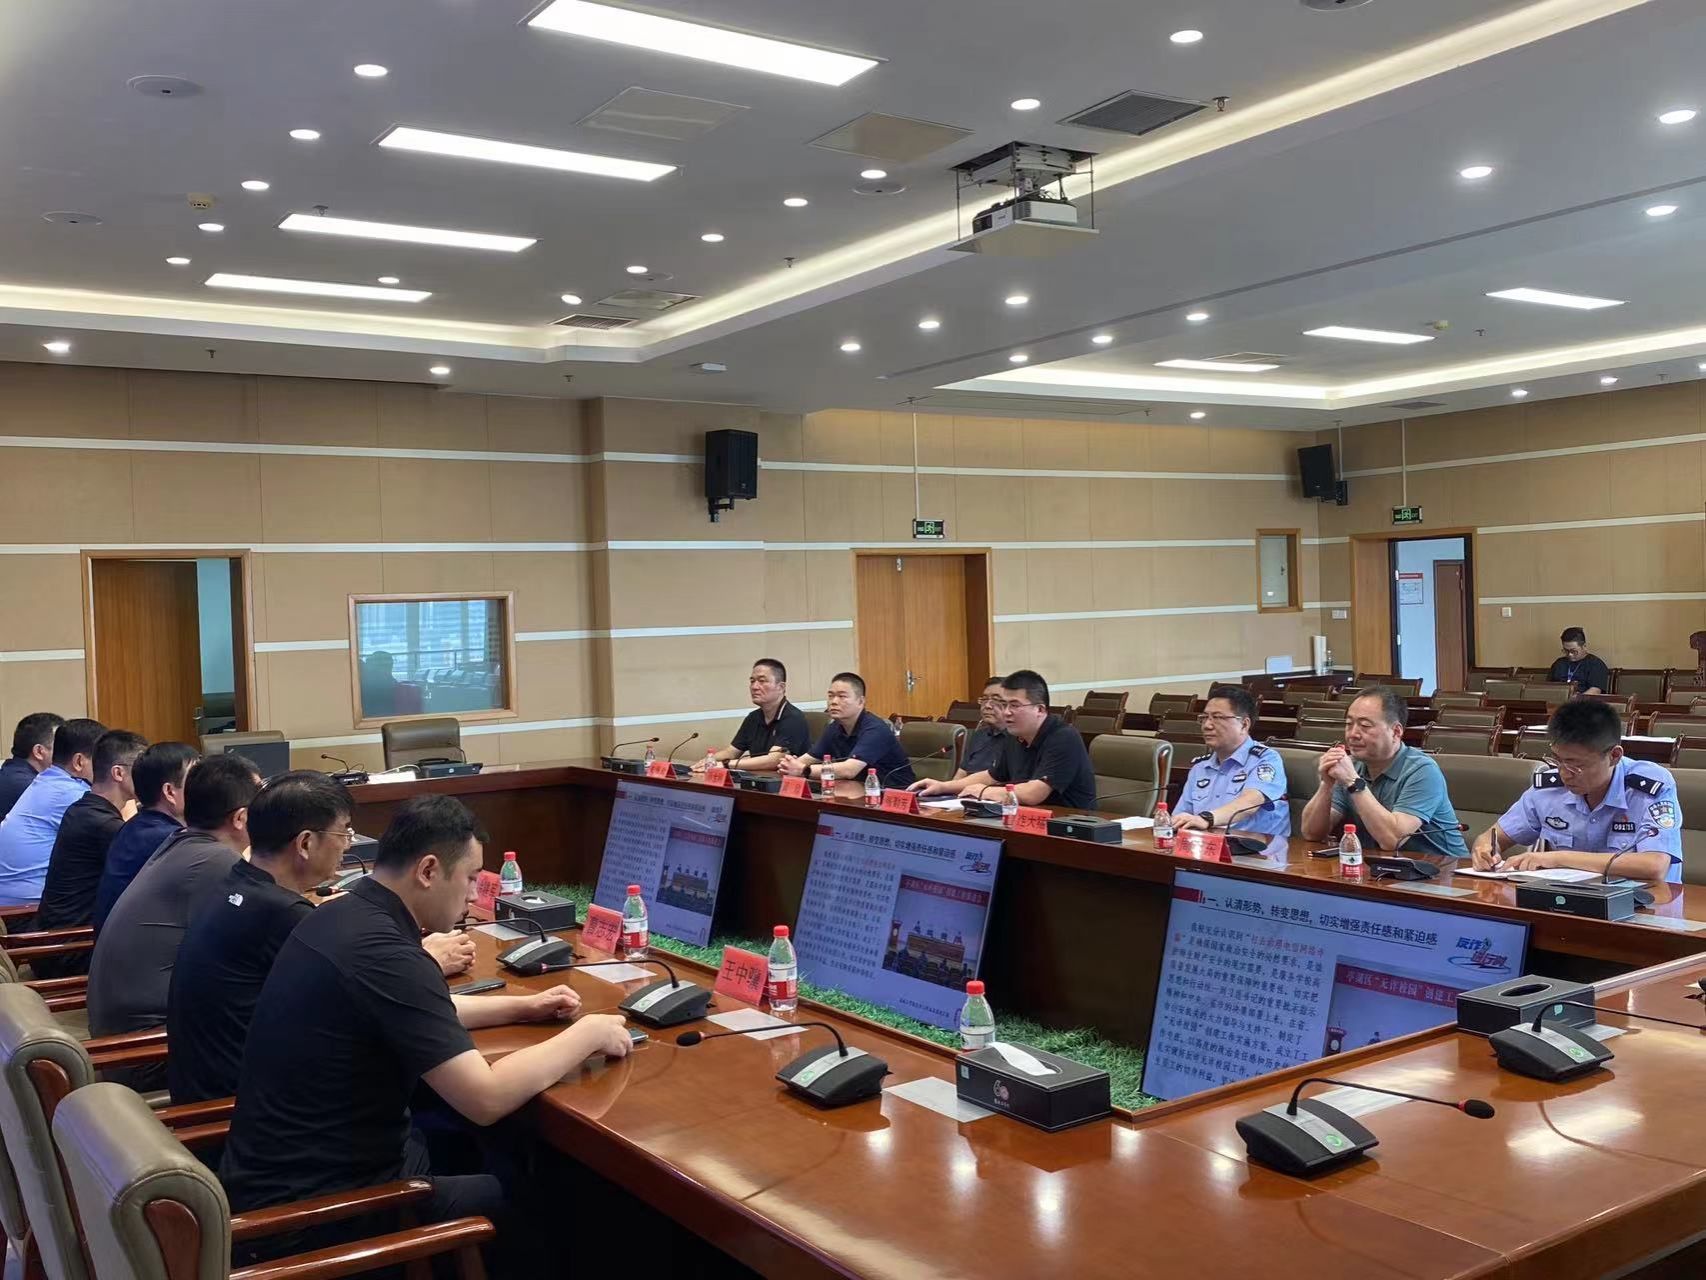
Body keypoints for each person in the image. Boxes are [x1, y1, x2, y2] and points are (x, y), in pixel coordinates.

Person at [218, 794, 631, 1247]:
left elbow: (411, 1011)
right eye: (470, 878)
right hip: (320, 1216)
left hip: (276, 1178)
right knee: (548, 1199)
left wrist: (521, 1007)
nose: (474, 894)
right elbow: (486, 1098)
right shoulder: (388, 955)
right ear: (429, 870)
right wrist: (589, 1032)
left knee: (477, 1146)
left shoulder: (343, 915)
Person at [167, 771, 356, 1104]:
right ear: (305, 843)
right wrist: (426, 959)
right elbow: (363, 999)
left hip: (208, 1085)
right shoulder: (282, 913)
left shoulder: (234, 884)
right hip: (238, 1109)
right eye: (344, 832)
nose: (348, 844)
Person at [87, 754, 263, 1061]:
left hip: (123, 1032)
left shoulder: (183, 843)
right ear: (241, 818)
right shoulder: (216, 861)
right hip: (147, 1049)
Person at [1472, 700, 1683, 882]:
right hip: (1567, 901)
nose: (1564, 773)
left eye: (1576, 765)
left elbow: (1654, 865)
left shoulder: (1649, 785)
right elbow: (1493, 837)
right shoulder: (1549, 788)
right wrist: (1486, 849)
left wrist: (1558, 858)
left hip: (1645, 903)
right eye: (1558, 760)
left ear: (1614, 756)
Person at [1300, 687, 1469, 858]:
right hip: (1382, 866)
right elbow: (1311, 834)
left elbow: (1393, 840)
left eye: (1365, 726)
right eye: (1349, 724)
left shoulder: (1422, 770)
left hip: (1444, 868)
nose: (1352, 734)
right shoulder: (1351, 767)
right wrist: (1327, 784)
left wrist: (1353, 782)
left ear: (1396, 732)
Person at [32, 730, 146, 976]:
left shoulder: (83, 808)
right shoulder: (102, 825)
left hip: (58, 944)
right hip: (72, 952)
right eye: (142, 769)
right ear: (118, 773)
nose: (150, 777)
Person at [911, 670, 1096, 809]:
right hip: (1022, 818)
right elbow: (991, 775)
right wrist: (943, 787)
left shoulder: (1063, 737)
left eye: (1014, 705)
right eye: (1004, 705)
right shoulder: (1013, 735)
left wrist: (984, 791)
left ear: (1040, 709)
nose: (1006, 712)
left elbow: (1034, 793)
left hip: (1069, 826)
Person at [93, 742, 198, 933]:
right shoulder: (170, 840)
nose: (206, 787)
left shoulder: (136, 827)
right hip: (137, 948)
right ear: (169, 792)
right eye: (196, 781)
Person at [0, 717, 106, 906]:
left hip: (14, 900)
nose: (104, 768)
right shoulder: (69, 793)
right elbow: (122, 843)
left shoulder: (46, 781)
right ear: (79, 761)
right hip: (26, 908)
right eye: (101, 761)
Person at [1170, 686, 1290, 838]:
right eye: (1204, 717)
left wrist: (1206, 819)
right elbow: (1182, 816)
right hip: (1207, 846)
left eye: (1217, 718)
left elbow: (1250, 802)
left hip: (1257, 848)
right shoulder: (1200, 767)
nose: (1207, 725)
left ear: (1244, 724)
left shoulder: (1266, 760)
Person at [780, 672, 914, 788]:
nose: (834, 701)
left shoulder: (875, 729)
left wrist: (804, 770)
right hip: (856, 790)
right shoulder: (834, 728)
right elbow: (810, 758)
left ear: (861, 702)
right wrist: (789, 765)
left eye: (842, 696)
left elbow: (849, 770)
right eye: (831, 696)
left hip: (893, 794)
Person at [694, 658, 810, 774]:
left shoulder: (794, 718)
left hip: (785, 782)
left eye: (762, 681)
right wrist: (707, 761)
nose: (754, 687)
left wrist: (726, 764)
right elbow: (732, 752)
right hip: (757, 780)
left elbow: (775, 760)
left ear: (781, 687)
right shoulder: (753, 717)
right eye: (752, 681)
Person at [0, 713, 64, 821]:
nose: (68, 752)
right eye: (62, 747)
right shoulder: (30, 786)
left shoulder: (11, 770)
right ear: (39, 751)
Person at [958, 678, 1008, 778]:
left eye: (995, 700)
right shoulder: (979, 735)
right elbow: (962, 772)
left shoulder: (1019, 740)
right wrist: (946, 786)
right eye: (984, 699)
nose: (987, 706)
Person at [1547, 628, 1610, 696]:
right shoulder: (1558, 664)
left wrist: (1575, 700)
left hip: (1584, 701)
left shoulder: (1595, 664)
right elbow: (1548, 687)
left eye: (1573, 651)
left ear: (1584, 647)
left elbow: (1595, 691)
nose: (1570, 654)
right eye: (1566, 651)